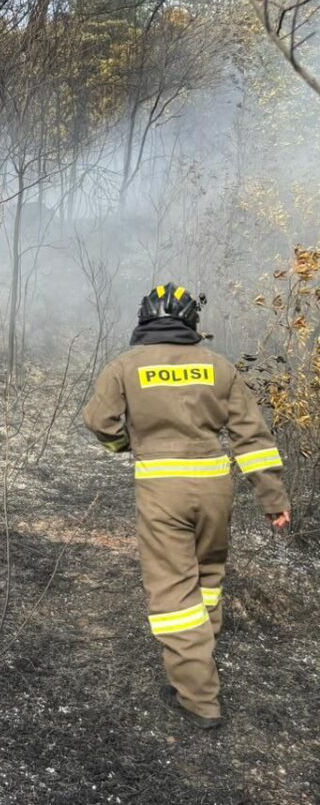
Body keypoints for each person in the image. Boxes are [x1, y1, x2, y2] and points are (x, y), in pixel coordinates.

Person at [84, 283, 290, 729]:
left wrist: (126, 445)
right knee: (209, 577)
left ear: (144, 321)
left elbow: (100, 422)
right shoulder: (218, 367)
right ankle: (200, 656)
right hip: (216, 488)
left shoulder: (126, 367)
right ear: (191, 322)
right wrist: (272, 497)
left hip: (163, 491)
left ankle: (198, 697)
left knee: (173, 592)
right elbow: (251, 437)